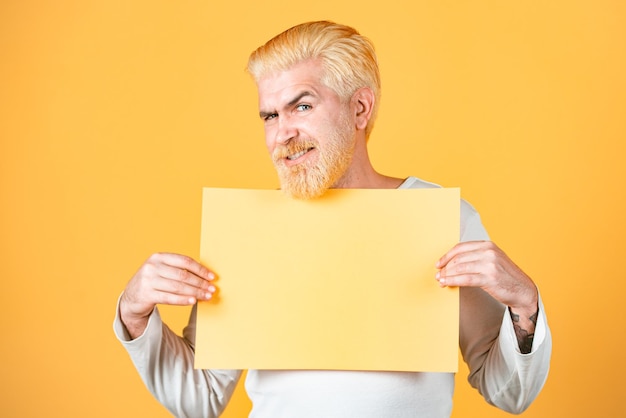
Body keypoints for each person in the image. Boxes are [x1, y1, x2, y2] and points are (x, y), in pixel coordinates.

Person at [114, 20, 551, 417]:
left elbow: (509, 392)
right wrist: (135, 315)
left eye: (301, 106)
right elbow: (199, 397)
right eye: (270, 115)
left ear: (360, 108)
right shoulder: (250, 232)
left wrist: (524, 305)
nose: (283, 132)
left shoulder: (440, 217)